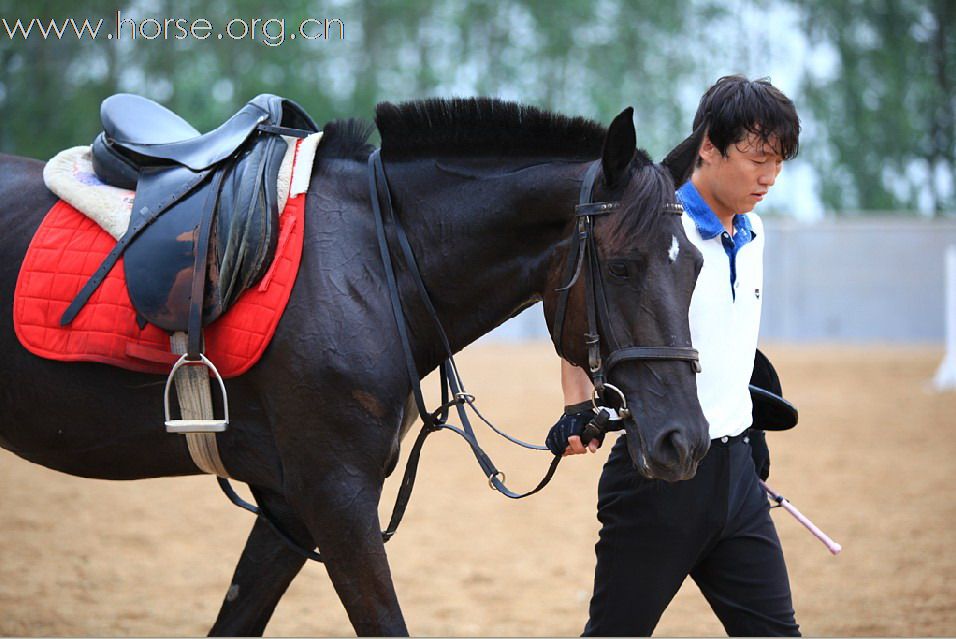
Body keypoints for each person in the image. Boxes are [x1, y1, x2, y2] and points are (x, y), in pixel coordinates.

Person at [546, 75, 801, 636]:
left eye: (779, 161)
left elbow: (729, 342)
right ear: (708, 146)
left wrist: (749, 429)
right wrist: (577, 406)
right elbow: (586, 310)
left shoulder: (754, 232)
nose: (769, 176)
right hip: (655, 478)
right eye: (758, 157)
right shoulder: (654, 227)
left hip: (737, 480)